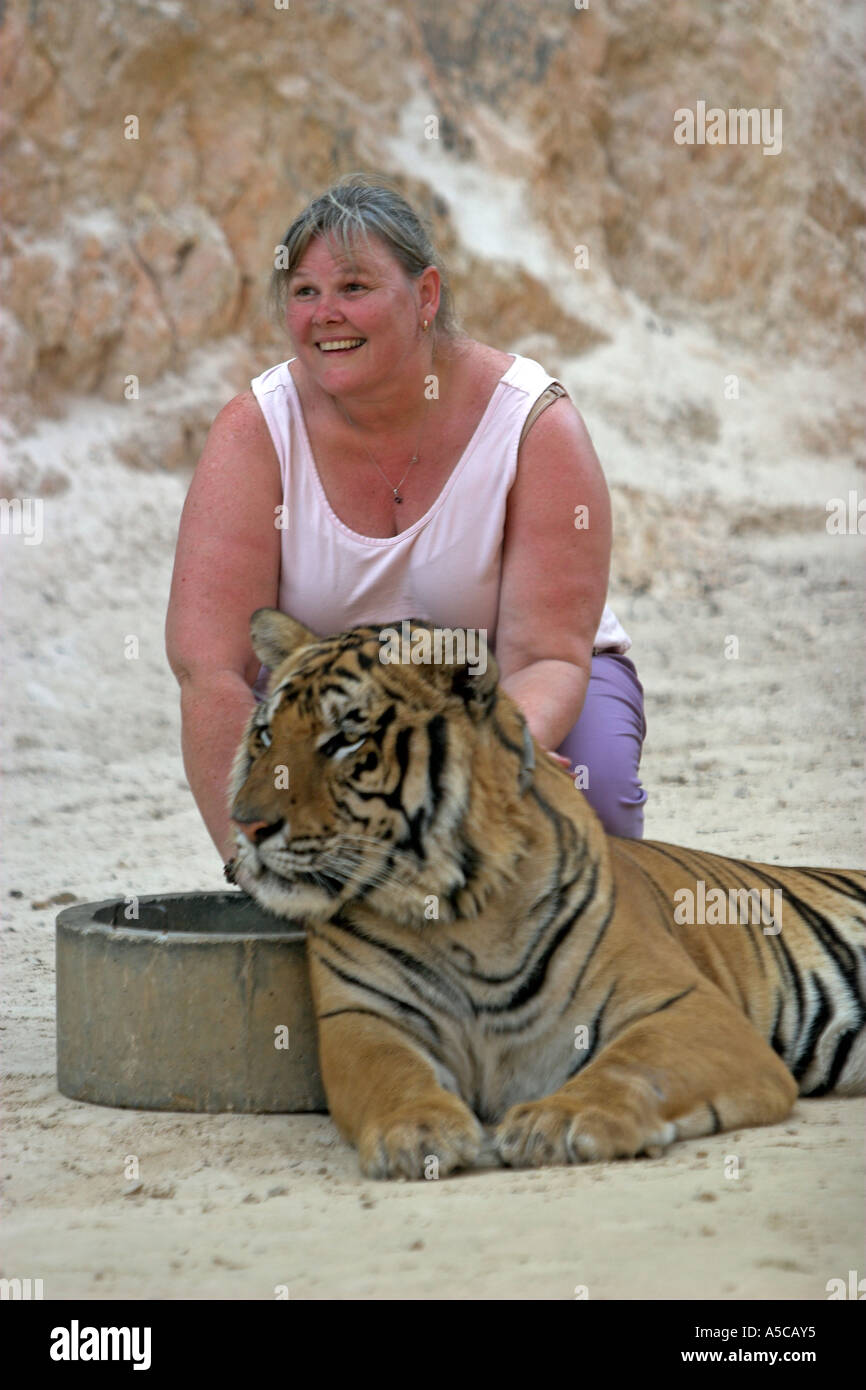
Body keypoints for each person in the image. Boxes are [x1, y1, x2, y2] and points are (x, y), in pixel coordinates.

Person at [164, 174, 647, 871]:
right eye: (304, 292)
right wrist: (255, 863)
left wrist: (473, 769)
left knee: (588, 798)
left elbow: (547, 656)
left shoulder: (533, 424)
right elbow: (209, 670)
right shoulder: (254, 432)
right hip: (337, 710)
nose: (325, 312)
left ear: (426, 297)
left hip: (505, 683)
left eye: (354, 287)